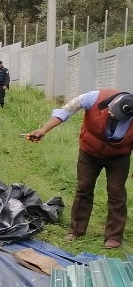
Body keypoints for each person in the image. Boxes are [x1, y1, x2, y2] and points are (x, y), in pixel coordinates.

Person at [27, 89, 133, 249]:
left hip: (118, 157)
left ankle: (114, 236)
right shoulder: (93, 98)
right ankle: (76, 231)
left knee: (117, 193)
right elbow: (65, 111)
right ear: (113, 103)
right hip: (89, 153)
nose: (113, 117)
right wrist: (43, 130)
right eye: (113, 112)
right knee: (84, 188)